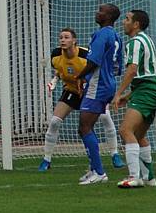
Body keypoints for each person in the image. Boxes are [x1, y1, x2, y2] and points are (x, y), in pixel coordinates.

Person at [38, 28, 124, 172]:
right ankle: (46, 160)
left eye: (66, 37)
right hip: (71, 91)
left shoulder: (85, 55)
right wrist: (54, 80)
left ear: (74, 41)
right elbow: (59, 71)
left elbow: (97, 70)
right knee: (54, 122)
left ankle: (115, 154)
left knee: (105, 118)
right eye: (61, 38)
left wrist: (85, 83)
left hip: (90, 91)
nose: (63, 40)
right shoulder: (56, 55)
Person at [112, 10, 156, 188]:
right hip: (151, 90)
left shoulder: (134, 42)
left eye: (127, 19)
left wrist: (119, 93)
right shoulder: (146, 39)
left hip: (147, 90)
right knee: (139, 135)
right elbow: (145, 73)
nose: (123, 22)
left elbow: (133, 70)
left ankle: (134, 176)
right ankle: (149, 178)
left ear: (136, 24)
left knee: (125, 130)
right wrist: (129, 96)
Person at [75, 3, 123, 185]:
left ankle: (100, 172)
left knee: (85, 127)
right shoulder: (116, 36)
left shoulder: (102, 34)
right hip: (107, 82)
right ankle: (95, 168)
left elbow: (93, 61)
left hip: (98, 84)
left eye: (101, 10)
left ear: (109, 16)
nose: (97, 12)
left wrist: (79, 77)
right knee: (87, 126)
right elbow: (117, 65)